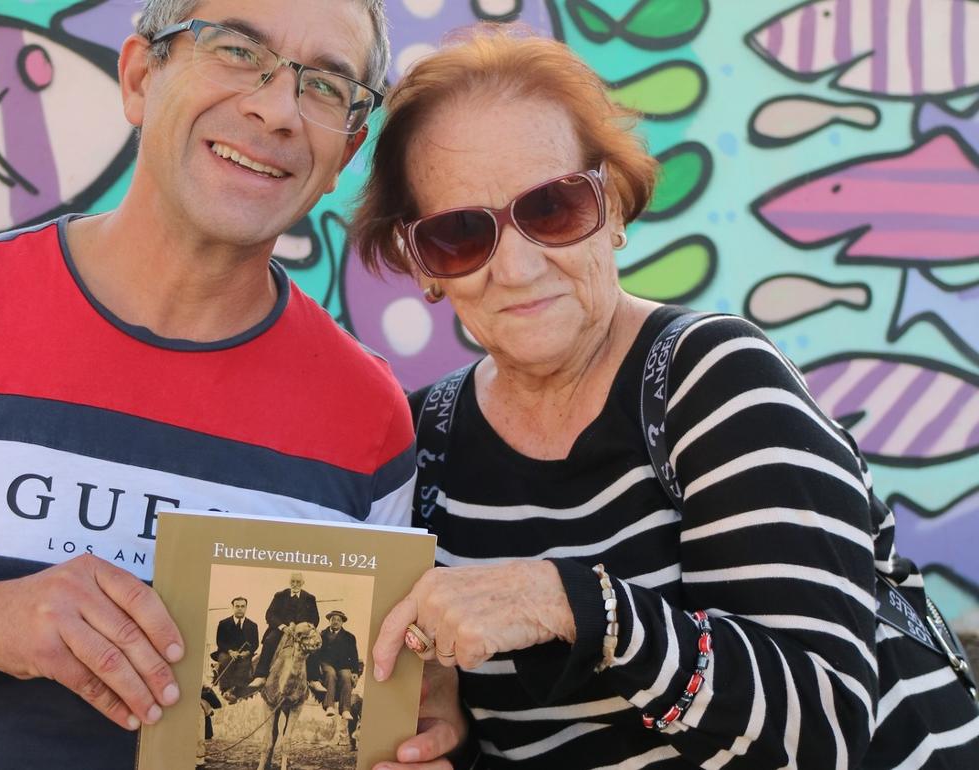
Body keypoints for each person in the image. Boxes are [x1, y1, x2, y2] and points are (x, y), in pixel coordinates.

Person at [0, 2, 414, 769]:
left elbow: (366, 698)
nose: (275, 108)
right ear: (137, 76)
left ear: (345, 150)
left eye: (323, 86)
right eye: (234, 50)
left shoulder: (370, 421)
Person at [352, 29, 979, 770]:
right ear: (422, 263)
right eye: (461, 233)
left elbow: (824, 728)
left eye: (551, 208)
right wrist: (447, 741)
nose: (517, 266)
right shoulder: (425, 442)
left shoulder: (712, 378)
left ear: (612, 208)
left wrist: (577, 604)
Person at [249, 572, 322, 689]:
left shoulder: (310, 598)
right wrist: (283, 627)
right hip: (281, 630)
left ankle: (313, 679)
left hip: (302, 632)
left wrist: (302, 627)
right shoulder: (280, 595)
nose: (295, 584)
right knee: (269, 641)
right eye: (293, 581)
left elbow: (315, 619)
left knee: (313, 646)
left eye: (298, 582)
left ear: (303, 583)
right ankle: (261, 676)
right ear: (289, 582)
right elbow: (270, 614)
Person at [315, 609, 360, 718]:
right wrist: (317, 668)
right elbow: (316, 654)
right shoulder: (321, 635)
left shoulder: (349, 637)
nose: (335, 622)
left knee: (346, 676)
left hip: (343, 665)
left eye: (338, 620)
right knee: (330, 674)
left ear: (342, 622)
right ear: (329, 621)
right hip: (326, 664)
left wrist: (355, 672)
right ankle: (329, 706)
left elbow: (354, 655)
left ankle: (345, 710)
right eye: (333, 619)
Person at [212, 596, 259, 697]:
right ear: (232, 607)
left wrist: (247, 653)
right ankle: (225, 689)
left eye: (242, 606)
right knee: (225, 660)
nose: (240, 608)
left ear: (246, 608)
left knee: (245, 663)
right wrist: (230, 651)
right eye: (237, 606)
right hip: (226, 652)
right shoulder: (223, 623)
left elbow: (255, 643)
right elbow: (220, 642)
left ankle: (237, 690)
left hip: (244, 653)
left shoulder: (252, 625)